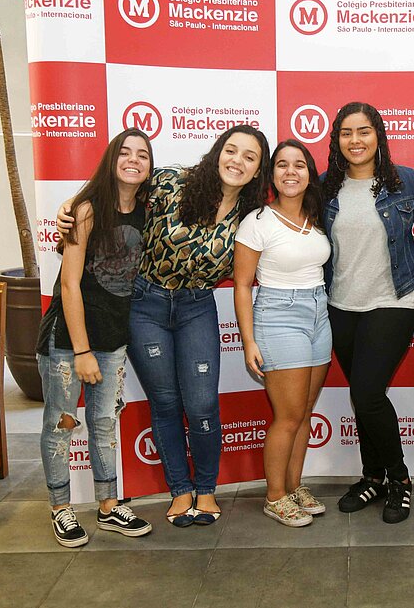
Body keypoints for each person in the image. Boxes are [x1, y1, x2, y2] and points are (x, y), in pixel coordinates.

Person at [57, 125, 267, 527]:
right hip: (145, 305)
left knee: (202, 404)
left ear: (258, 170)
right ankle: (180, 491)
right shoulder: (172, 182)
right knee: (166, 403)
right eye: (231, 150)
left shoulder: (253, 216)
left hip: (197, 307)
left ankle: (206, 489)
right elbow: (119, 186)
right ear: (217, 152)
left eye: (249, 157)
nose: (237, 161)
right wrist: (72, 204)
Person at [37, 129, 154, 547]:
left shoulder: (147, 212)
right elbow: (69, 285)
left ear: (149, 167)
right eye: (125, 152)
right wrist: (82, 350)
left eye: (142, 155)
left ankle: (107, 505)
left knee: (104, 423)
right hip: (69, 340)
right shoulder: (86, 210)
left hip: (113, 338)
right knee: (61, 422)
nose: (133, 160)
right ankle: (60, 508)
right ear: (111, 159)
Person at [322, 102, 414, 524]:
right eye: (346, 132)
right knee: (362, 396)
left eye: (364, 131)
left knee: (367, 393)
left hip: (394, 299)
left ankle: (399, 479)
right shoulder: (324, 187)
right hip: (341, 303)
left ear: (378, 135)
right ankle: (373, 476)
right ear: (337, 140)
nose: (356, 140)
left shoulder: (407, 181)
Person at [233, 139, 331, 528]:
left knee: (304, 412)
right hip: (278, 315)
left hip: (319, 312)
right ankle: (274, 497)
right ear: (271, 175)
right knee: (287, 416)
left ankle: (293, 486)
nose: (291, 172)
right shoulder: (257, 222)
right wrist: (249, 341)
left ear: (310, 174)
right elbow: (243, 285)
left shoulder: (316, 217)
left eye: (299, 165)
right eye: (282, 165)